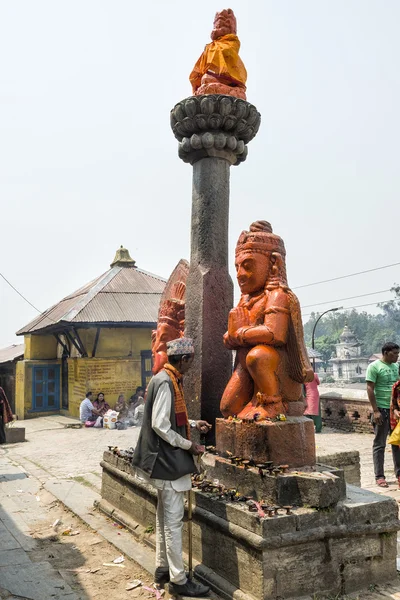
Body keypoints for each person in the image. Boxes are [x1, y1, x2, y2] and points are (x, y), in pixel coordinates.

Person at [132, 337, 211, 597]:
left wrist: (192, 422)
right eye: (191, 360)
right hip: (165, 461)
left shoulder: (166, 378)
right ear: (184, 359)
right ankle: (179, 579)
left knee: (163, 517)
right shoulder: (166, 382)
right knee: (173, 522)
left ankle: (162, 570)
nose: (191, 365)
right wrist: (189, 445)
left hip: (161, 460)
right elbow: (160, 424)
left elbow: (169, 418)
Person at [366, 342, 400, 488]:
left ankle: (399, 474)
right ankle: (379, 476)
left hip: (395, 410)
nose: (397, 356)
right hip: (381, 408)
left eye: (398, 354)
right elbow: (369, 388)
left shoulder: (396, 367)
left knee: (397, 442)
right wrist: (375, 411)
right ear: (386, 353)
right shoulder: (374, 367)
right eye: (395, 354)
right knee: (380, 444)